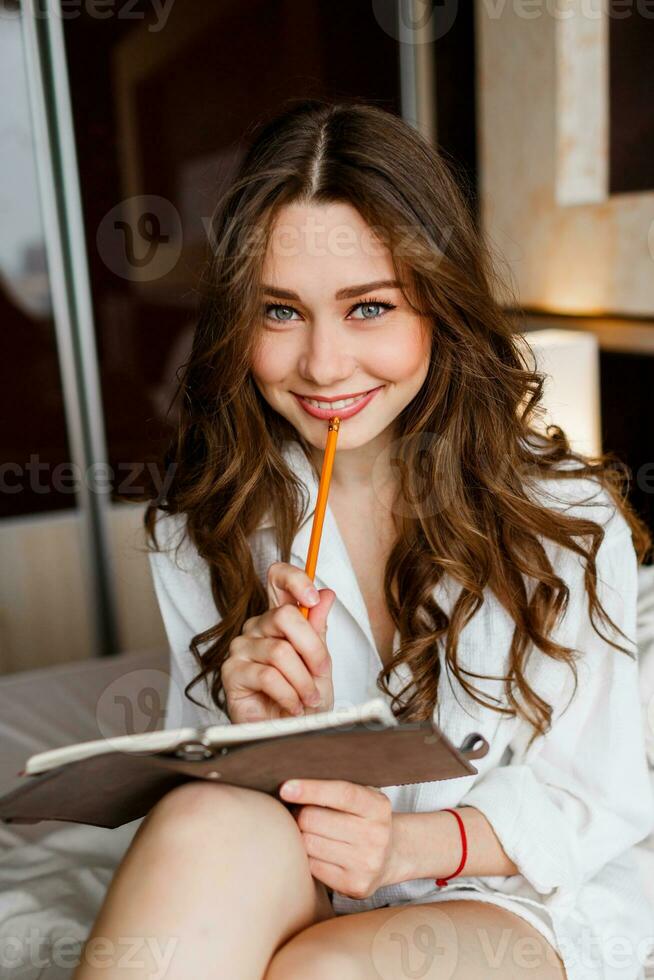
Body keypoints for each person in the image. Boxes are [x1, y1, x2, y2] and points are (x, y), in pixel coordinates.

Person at [73, 99, 654, 980]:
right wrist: (254, 731)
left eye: (369, 307)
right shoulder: (208, 521)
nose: (323, 365)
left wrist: (406, 847)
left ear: (439, 307)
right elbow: (223, 794)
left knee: (327, 971)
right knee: (194, 824)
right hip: (324, 874)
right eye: (280, 313)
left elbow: (600, 800)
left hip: (523, 888)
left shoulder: (565, 520)